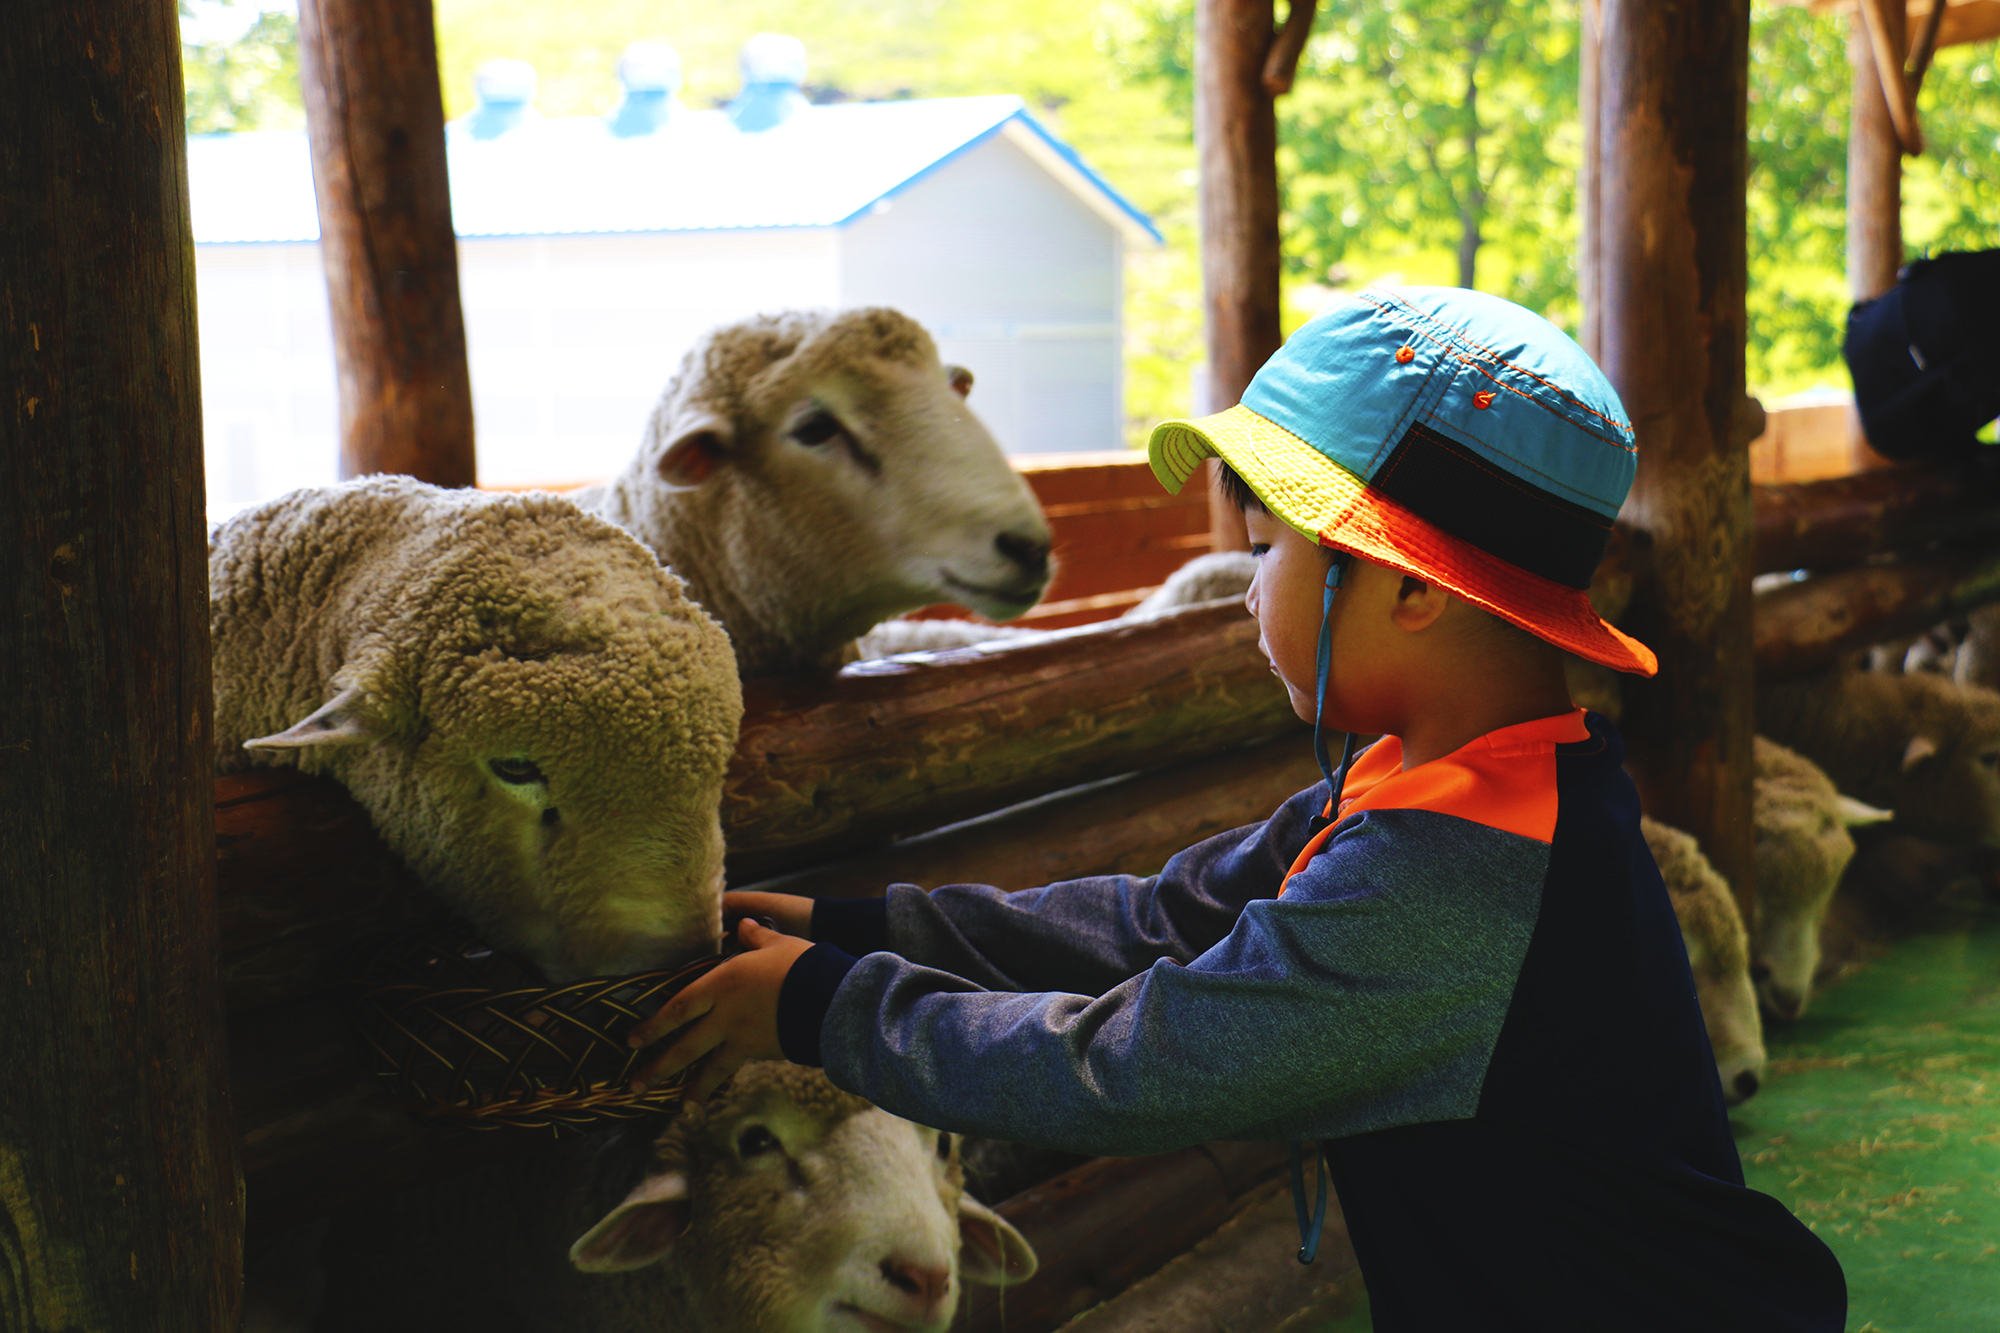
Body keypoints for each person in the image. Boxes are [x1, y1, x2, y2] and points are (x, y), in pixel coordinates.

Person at [627, 286, 1846, 1330]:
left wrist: (823, 1008)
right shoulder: (1456, 780)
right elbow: (1156, 921)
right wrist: (857, 930)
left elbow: (1136, 1066)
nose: (1246, 587)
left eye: (1267, 549)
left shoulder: (1452, 877)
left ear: (1401, 588)